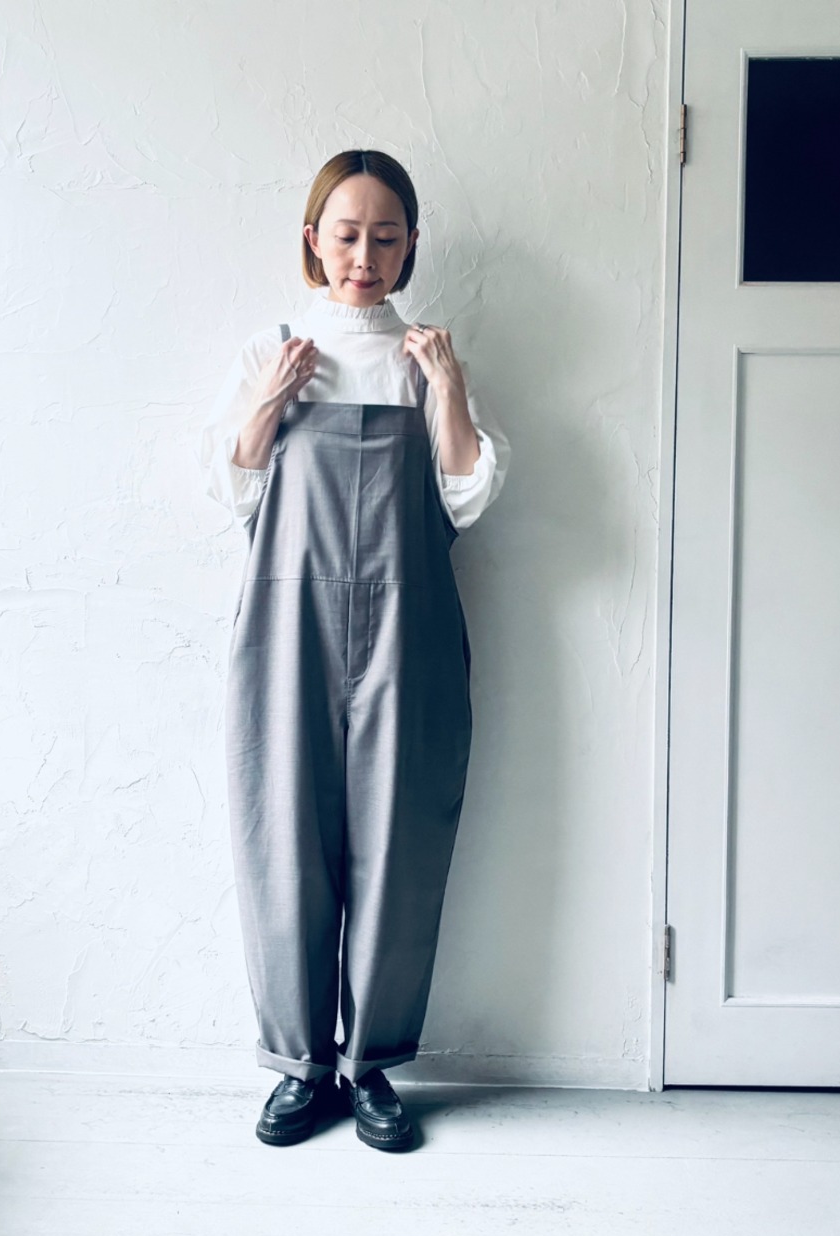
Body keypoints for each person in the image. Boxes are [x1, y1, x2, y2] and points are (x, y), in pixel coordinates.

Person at [200, 149, 510, 1151]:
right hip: (285, 626)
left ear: (411, 244)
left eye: (385, 236)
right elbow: (231, 490)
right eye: (346, 234)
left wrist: (447, 387)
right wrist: (269, 398)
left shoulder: (423, 356)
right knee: (281, 835)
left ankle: (370, 1065)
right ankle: (300, 1066)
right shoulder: (275, 349)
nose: (363, 256)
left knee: (398, 840)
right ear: (312, 239)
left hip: (409, 629)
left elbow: (467, 495)